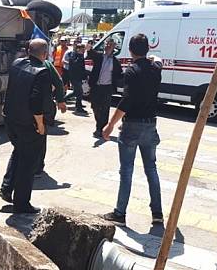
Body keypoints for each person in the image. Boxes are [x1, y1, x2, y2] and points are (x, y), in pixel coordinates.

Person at [101, 34, 164, 226]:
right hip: (150, 125)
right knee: (151, 169)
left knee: (126, 170)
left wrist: (110, 124)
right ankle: (157, 213)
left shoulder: (132, 72)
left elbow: (126, 101)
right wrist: (153, 58)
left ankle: (120, 213)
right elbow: (158, 61)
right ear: (147, 49)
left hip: (132, 125)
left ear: (130, 50)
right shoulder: (155, 70)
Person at [0, 38, 52, 214]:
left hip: (11, 120)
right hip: (28, 124)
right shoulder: (42, 72)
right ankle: (22, 203)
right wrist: (40, 125)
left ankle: (7, 188)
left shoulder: (16, 64)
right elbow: (36, 102)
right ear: (44, 54)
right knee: (28, 163)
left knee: (18, 152)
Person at [86, 38, 122, 137]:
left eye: (110, 45)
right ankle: (99, 124)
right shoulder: (99, 57)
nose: (107, 46)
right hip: (96, 87)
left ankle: (101, 128)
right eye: (106, 44)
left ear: (114, 47)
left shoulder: (115, 61)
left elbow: (119, 74)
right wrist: (89, 47)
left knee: (105, 109)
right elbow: (91, 52)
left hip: (107, 88)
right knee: (95, 107)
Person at [68, 43, 88, 113]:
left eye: (84, 49)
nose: (83, 51)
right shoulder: (73, 55)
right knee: (79, 92)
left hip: (79, 77)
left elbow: (82, 67)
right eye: (82, 49)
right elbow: (74, 65)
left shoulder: (81, 56)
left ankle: (62, 100)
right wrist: (79, 56)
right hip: (74, 77)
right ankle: (78, 107)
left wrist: (85, 75)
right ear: (78, 49)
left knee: (76, 92)